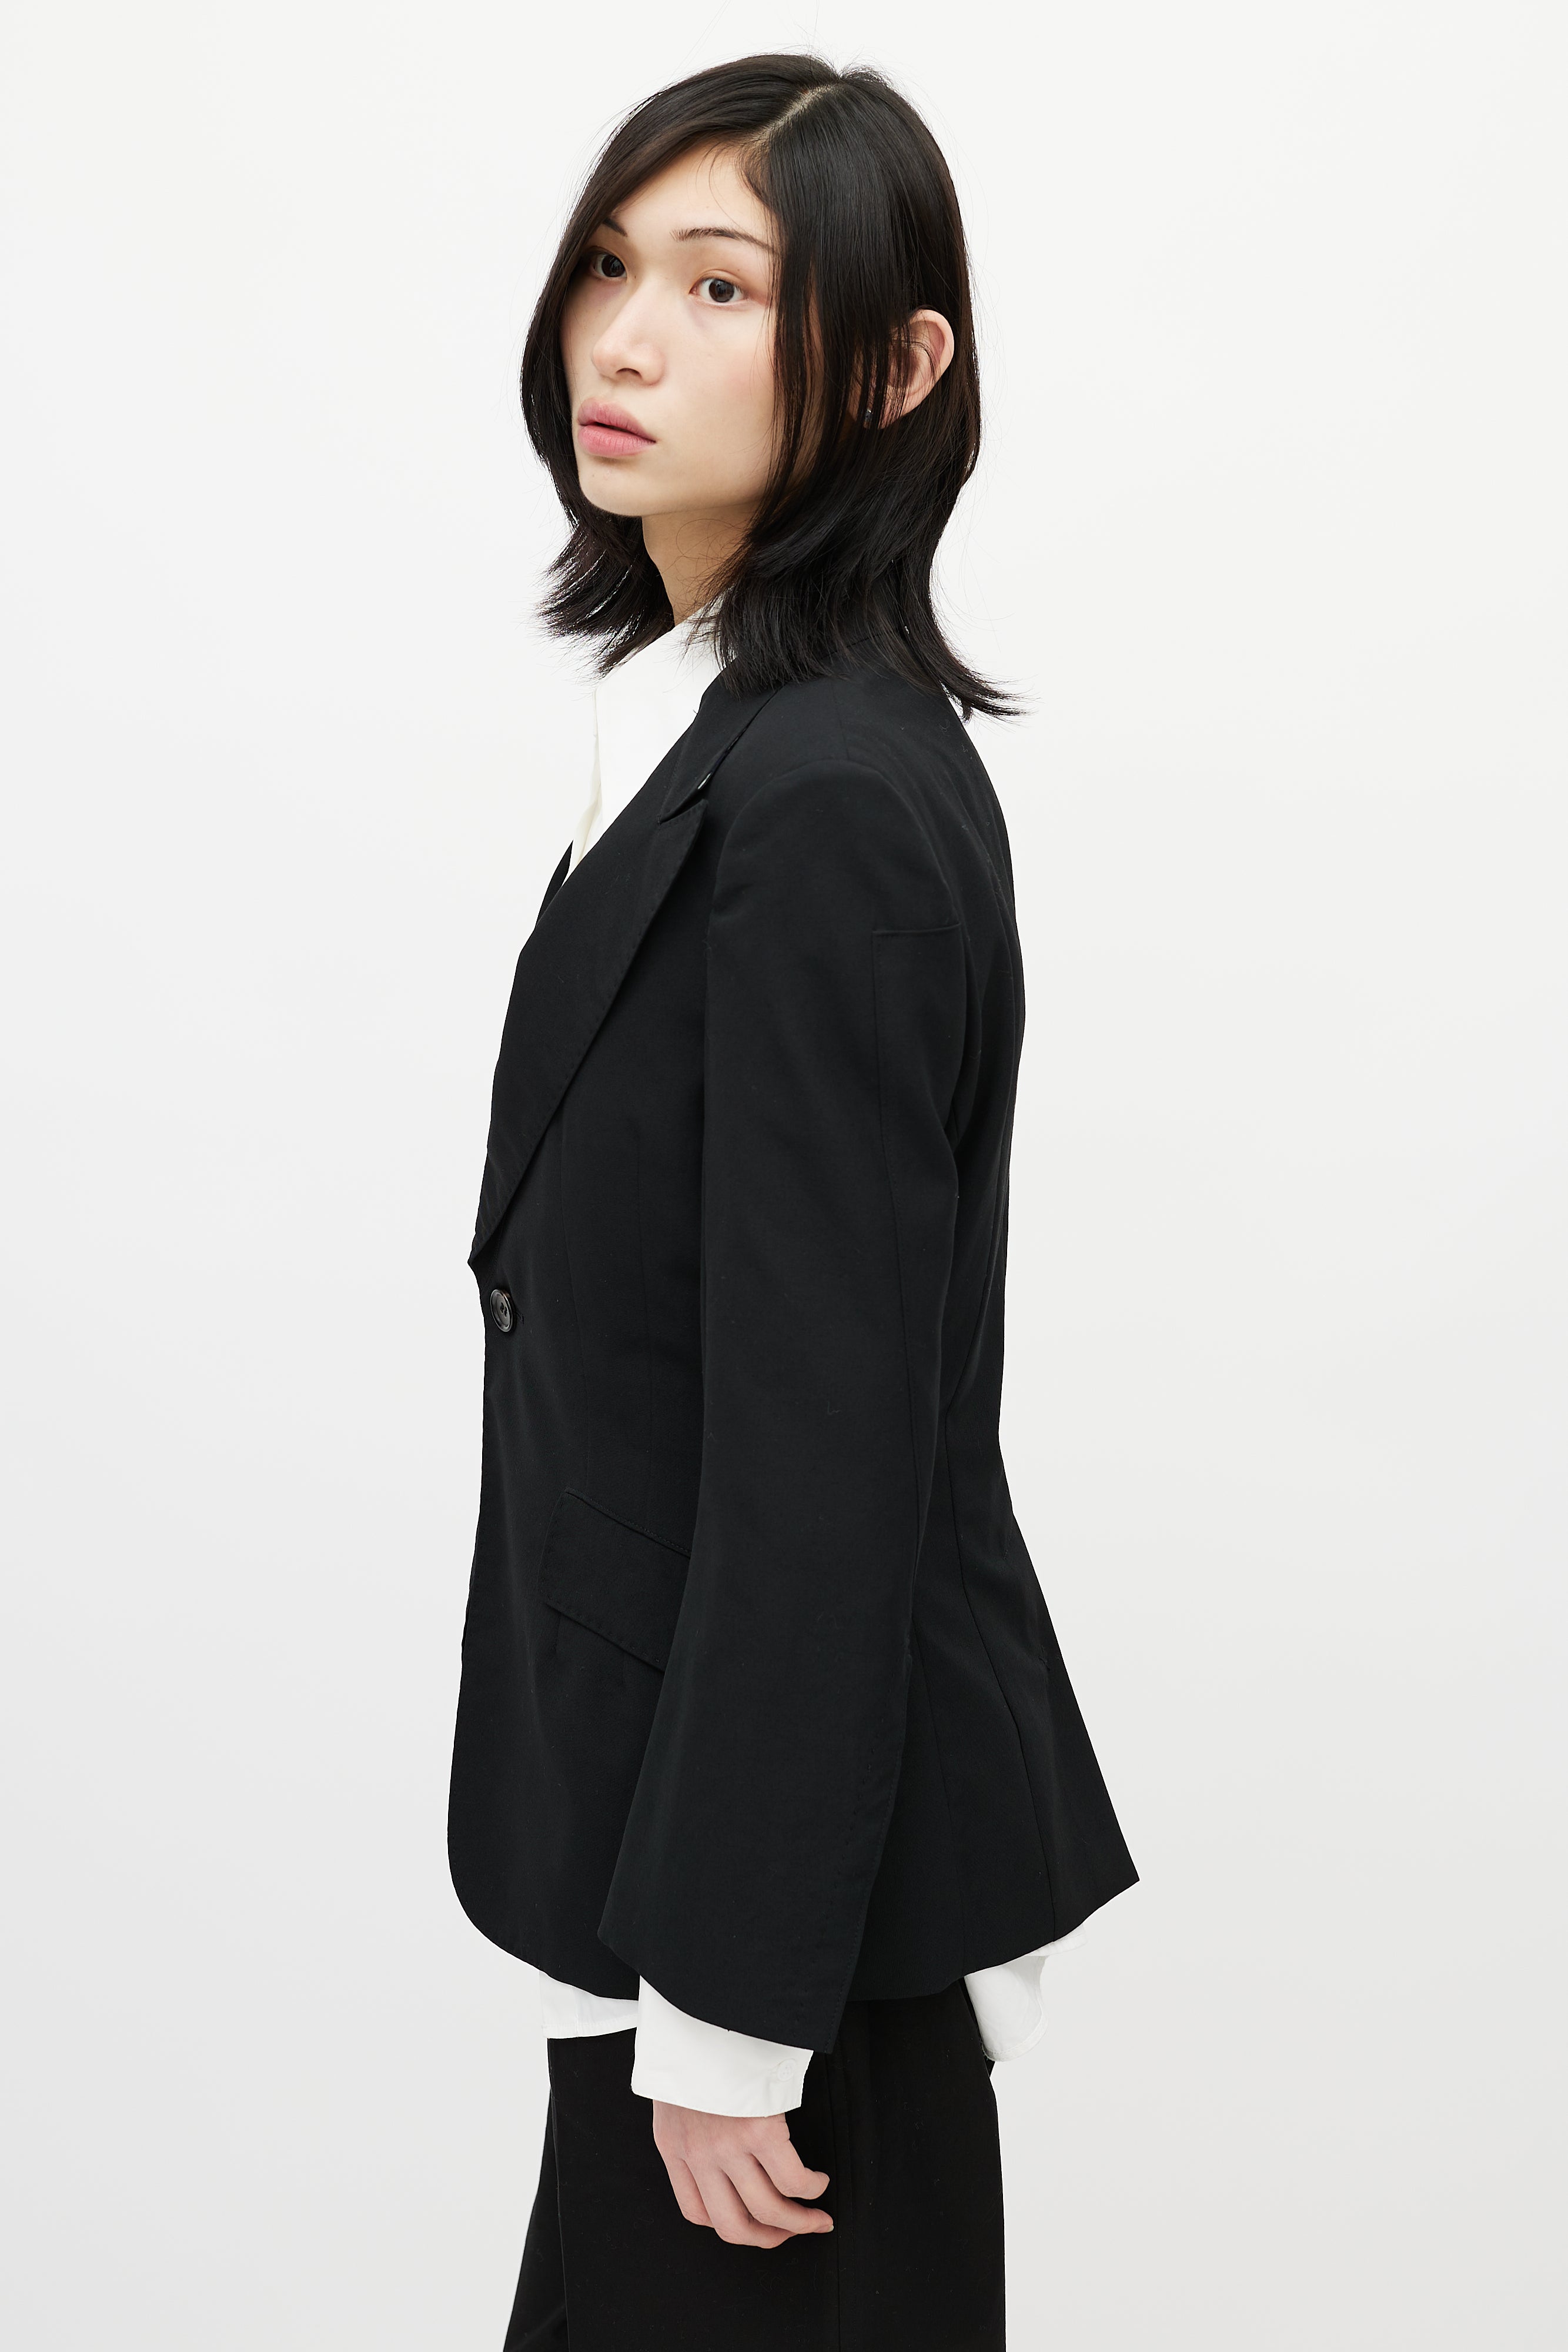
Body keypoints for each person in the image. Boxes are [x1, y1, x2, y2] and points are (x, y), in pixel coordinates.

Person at [447, 52, 1138, 2350]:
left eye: (721, 286)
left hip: (776, 1966)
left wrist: (735, 2011)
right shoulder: (702, 727)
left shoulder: (824, 791)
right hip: (687, 1890)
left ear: (894, 365)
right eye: (608, 266)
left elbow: (823, 1444)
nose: (625, 338)